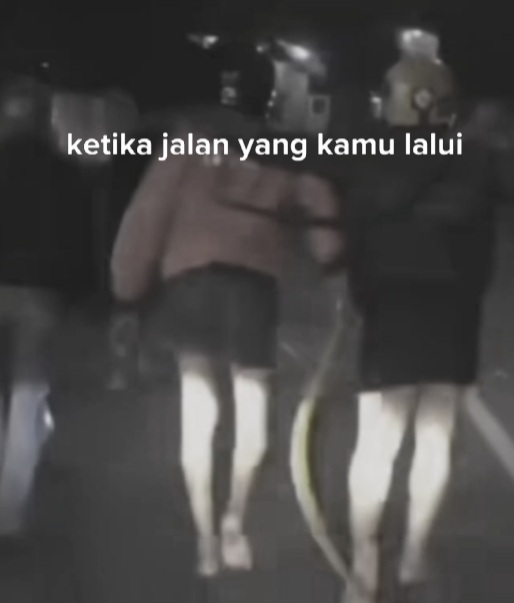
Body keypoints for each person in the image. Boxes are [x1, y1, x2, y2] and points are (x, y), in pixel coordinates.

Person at [218, 38, 514, 602]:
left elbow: (306, 175)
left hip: (390, 313)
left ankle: (364, 562)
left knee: (379, 438)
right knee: (435, 437)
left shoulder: (369, 152)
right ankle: (415, 553)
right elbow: (487, 226)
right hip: (454, 317)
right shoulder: (476, 158)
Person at [109, 54, 342, 578]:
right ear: (271, 97)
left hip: (190, 285)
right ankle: (235, 518)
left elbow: (148, 216)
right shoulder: (282, 149)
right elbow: (320, 210)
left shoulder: (188, 143)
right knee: (252, 415)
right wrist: (334, 265)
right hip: (252, 291)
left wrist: (127, 290)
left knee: (199, 413)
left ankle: (205, 540)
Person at [0, 74, 92, 536]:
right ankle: (9, 511)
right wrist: (83, 296)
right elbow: (80, 239)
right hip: (41, 292)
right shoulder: (64, 172)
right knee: (27, 396)